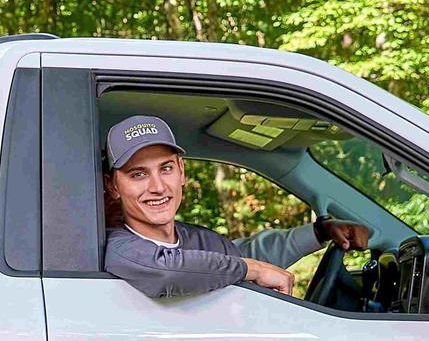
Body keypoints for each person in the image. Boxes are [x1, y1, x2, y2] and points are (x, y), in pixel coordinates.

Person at [98, 113, 368, 300]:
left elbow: (243, 255)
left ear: (181, 171)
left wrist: (321, 232)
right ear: (113, 186)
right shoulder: (116, 246)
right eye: (138, 174)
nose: (157, 186)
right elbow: (167, 270)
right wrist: (252, 270)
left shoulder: (204, 240)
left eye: (166, 168)